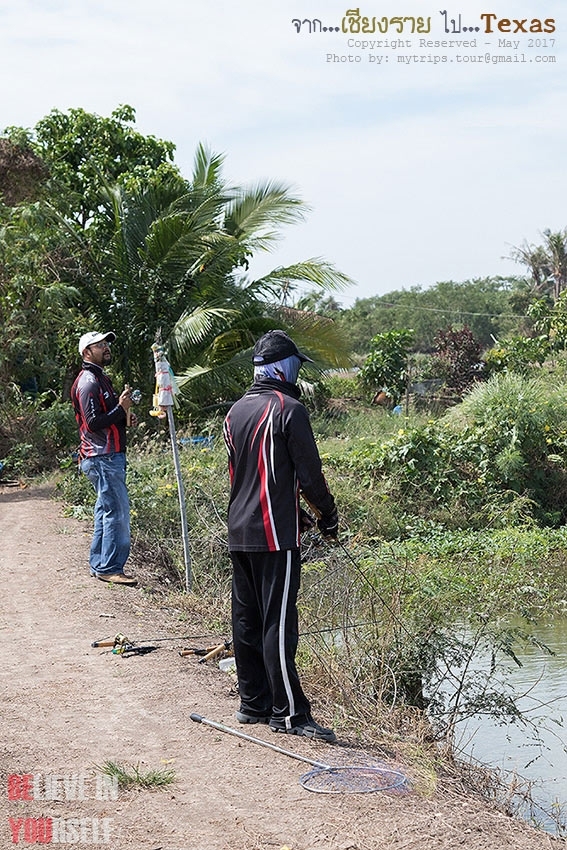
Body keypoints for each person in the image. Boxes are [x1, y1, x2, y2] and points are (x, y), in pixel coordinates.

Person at [223, 329, 339, 742]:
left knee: (247, 619)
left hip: (239, 530)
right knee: (278, 622)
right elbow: (309, 476)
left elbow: (249, 476)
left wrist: (300, 516)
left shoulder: (235, 412)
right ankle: (289, 714)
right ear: (282, 367)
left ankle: (252, 704)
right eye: (294, 366)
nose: (296, 373)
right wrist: (327, 514)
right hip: (274, 536)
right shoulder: (290, 409)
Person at [70, 331, 137, 586]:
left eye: (107, 343)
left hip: (107, 456)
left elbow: (105, 416)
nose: (106, 348)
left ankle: (100, 564)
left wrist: (124, 415)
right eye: (100, 345)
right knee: (116, 513)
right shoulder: (88, 382)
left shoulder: (100, 378)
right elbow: (93, 422)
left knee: (105, 512)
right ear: (87, 352)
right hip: (102, 457)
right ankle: (110, 567)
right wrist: (121, 408)